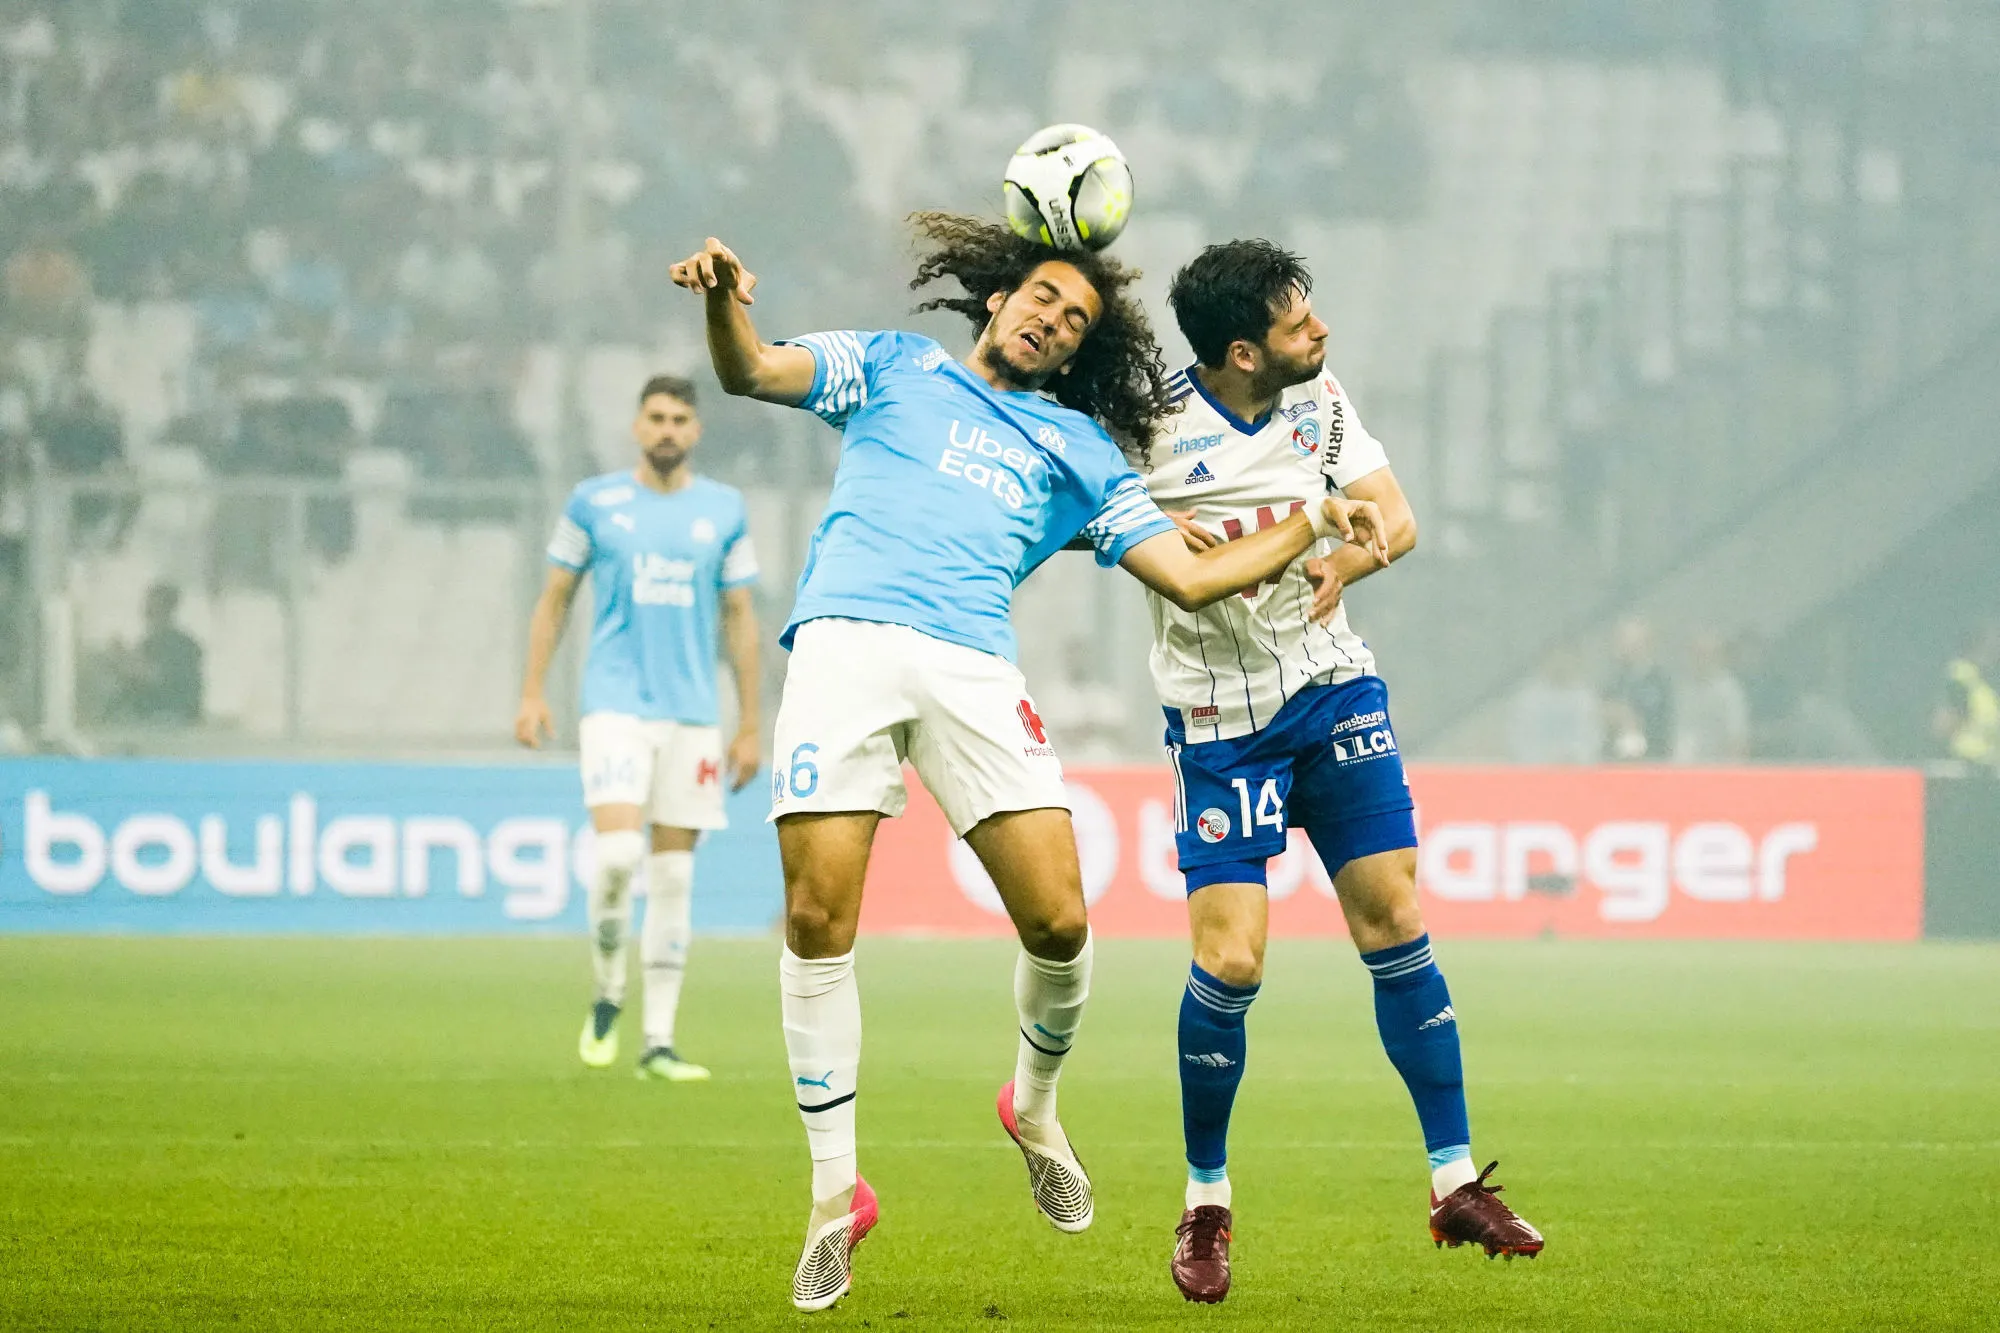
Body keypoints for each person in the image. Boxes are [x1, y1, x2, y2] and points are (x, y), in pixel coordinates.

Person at [669, 218, 1388, 1312]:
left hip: (969, 663)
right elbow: (750, 369)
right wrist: (724, 297)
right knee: (817, 921)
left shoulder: (1081, 451)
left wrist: (1308, 524)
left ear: (1074, 353)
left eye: (1076, 322)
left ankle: (1034, 1103)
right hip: (843, 644)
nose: (1053, 320)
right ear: (998, 300)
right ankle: (833, 1199)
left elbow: (1190, 580)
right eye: (1042, 299)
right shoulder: (893, 366)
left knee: (1058, 922)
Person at [1136, 240, 1543, 1303]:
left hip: (1330, 690)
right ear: (1238, 351)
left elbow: (1395, 518)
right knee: (1230, 964)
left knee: (1393, 914)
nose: (1318, 331)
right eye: (1294, 322)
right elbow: (1160, 567)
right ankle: (1205, 1200)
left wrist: (1346, 558)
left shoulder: (1319, 406)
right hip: (1219, 718)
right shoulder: (1145, 427)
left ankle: (1453, 1179)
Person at [514, 374, 763, 1084]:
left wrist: (749, 725)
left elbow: (741, 617)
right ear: (636, 426)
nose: (667, 429)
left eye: (680, 418)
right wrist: (532, 692)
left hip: (692, 714)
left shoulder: (725, 509)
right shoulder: (594, 502)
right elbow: (555, 596)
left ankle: (658, 1040)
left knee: (676, 875)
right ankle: (607, 991)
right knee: (620, 856)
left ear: (697, 430)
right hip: (615, 704)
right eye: (655, 417)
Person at [110, 583, 203, 724]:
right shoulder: (146, 644)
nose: (148, 615)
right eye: (147, 610)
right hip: (144, 720)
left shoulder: (183, 645)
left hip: (175, 721)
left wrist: (126, 658)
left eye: (154, 609)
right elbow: (131, 681)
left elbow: (158, 677)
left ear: (169, 610)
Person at [1603, 616, 1673, 761]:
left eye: (1633, 642)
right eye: (1622, 641)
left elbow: (1661, 726)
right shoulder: (1612, 681)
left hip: (1652, 763)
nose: (1625, 647)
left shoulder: (1660, 682)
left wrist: (1630, 718)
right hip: (1614, 764)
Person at [1675, 632, 1750, 763]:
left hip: (1717, 768)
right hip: (1684, 768)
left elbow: (1737, 737)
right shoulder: (1684, 689)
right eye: (1696, 654)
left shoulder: (1729, 691)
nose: (1701, 659)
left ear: (1718, 657)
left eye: (1706, 654)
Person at [1935, 620, 2000, 772]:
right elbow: (1943, 725)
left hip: (1985, 766)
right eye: (1995, 641)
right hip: (1964, 766)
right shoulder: (1960, 677)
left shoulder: (1982, 681)